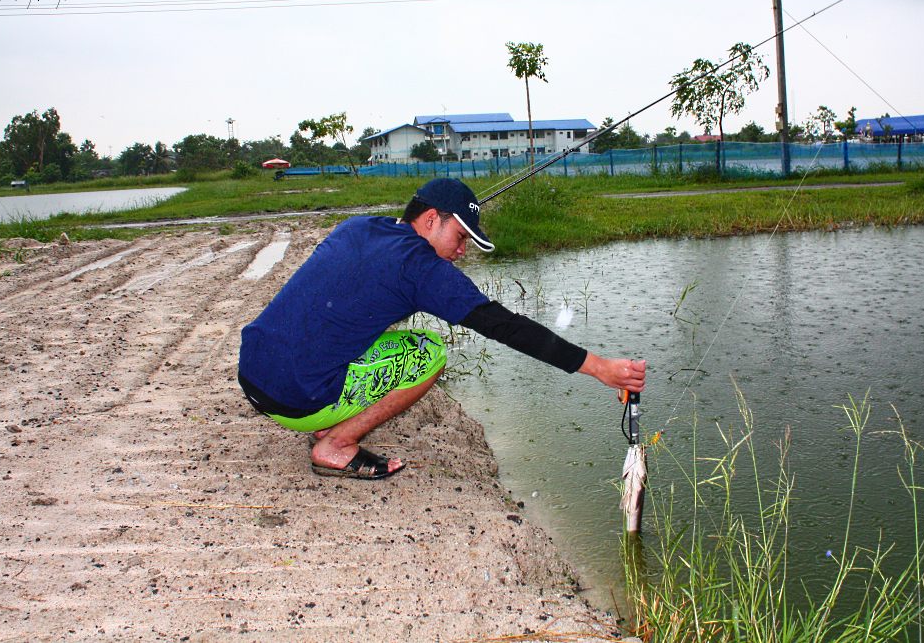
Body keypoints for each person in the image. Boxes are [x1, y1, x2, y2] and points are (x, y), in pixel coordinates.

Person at [238, 178, 646, 480]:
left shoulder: (357, 227)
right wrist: (598, 367)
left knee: (352, 324)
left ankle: (325, 419)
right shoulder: (424, 270)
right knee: (429, 353)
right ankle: (335, 444)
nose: (462, 250)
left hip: (253, 371)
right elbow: (506, 327)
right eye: (461, 236)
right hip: (292, 400)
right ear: (431, 219)